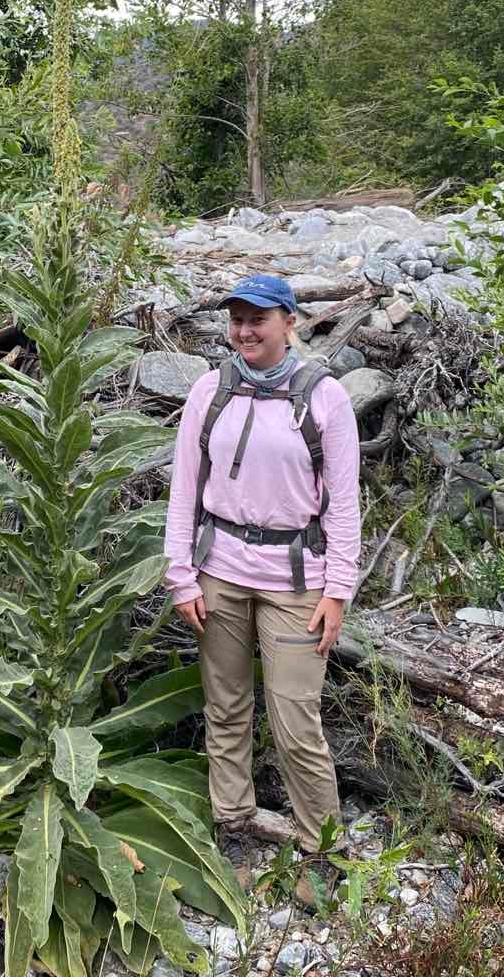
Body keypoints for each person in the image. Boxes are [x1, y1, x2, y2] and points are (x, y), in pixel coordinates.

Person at [164, 274, 361, 905]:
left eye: (259, 319)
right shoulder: (209, 390)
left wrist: (338, 590)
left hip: (296, 583)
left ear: (289, 322)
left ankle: (321, 849)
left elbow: (345, 506)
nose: (245, 331)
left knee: (296, 719)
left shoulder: (325, 399)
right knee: (225, 706)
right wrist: (180, 574)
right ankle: (235, 826)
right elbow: (185, 489)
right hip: (218, 574)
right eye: (237, 319)